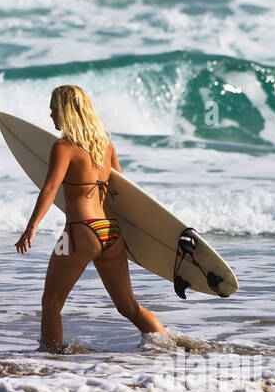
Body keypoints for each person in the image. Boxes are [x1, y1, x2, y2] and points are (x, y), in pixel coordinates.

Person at [15, 85, 165, 350]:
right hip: (111, 232)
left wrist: (31, 227)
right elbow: (123, 191)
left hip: (80, 232)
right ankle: (169, 344)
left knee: (51, 303)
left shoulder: (63, 146)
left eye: (54, 110)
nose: (51, 116)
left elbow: (50, 189)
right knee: (128, 306)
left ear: (66, 112)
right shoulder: (105, 146)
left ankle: (49, 361)